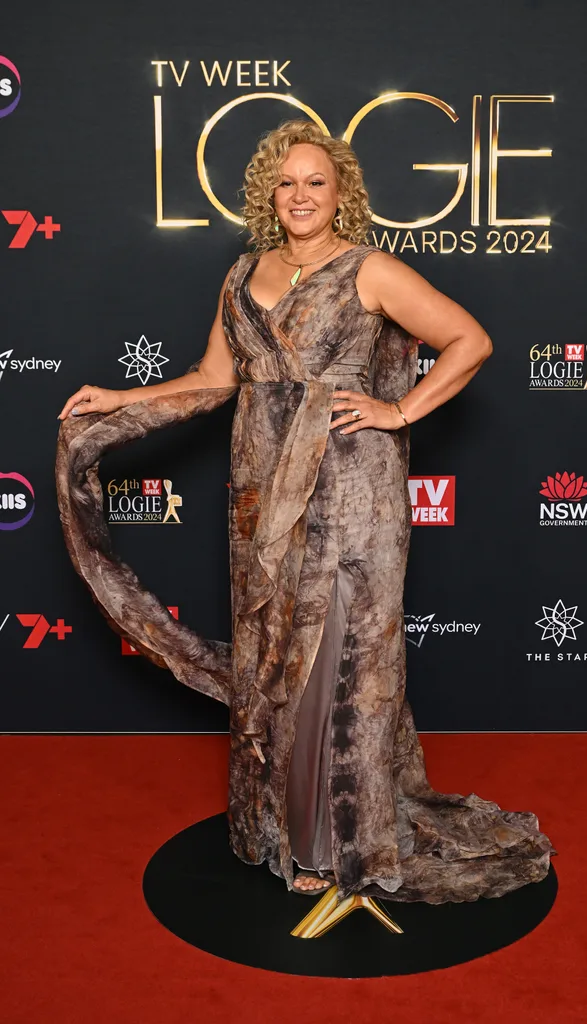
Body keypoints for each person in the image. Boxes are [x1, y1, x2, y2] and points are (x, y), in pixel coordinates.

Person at [56, 120, 554, 903]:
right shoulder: (241, 273)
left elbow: (468, 340)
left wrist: (398, 410)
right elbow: (215, 380)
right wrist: (122, 398)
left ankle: (335, 840)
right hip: (260, 491)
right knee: (274, 652)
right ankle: (285, 830)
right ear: (267, 193)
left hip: (352, 487)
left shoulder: (370, 270)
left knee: (339, 652)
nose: (299, 195)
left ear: (340, 194)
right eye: (285, 182)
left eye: (315, 182)